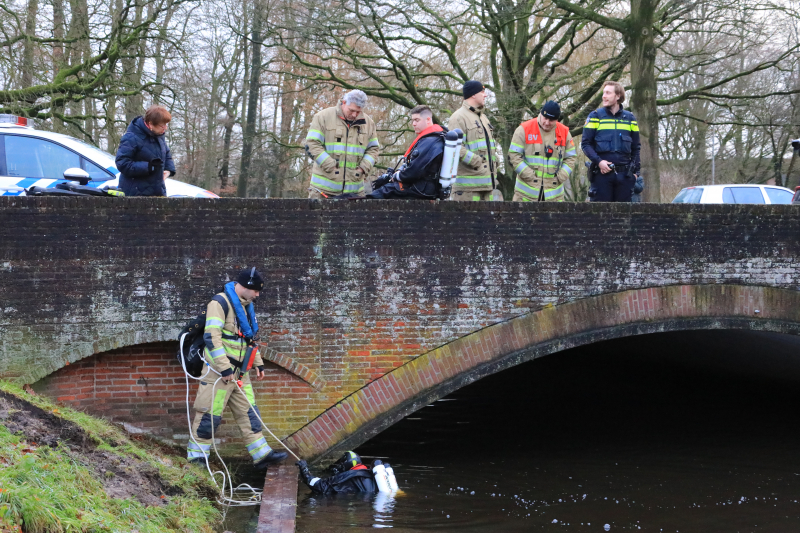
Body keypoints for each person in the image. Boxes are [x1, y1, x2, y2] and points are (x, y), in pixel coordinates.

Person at [186, 267, 288, 470]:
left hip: (240, 372)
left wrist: (257, 363)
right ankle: (197, 459)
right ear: (246, 286)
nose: (258, 295)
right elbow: (212, 337)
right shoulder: (219, 303)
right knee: (209, 415)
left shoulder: (247, 306)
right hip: (219, 373)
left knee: (250, 413)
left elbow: (249, 338)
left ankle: (261, 455)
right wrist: (224, 369)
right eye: (256, 290)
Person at [305, 90, 381, 199]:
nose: (354, 114)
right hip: (323, 190)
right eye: (351, 110)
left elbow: (373, 149)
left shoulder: (369, 123)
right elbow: (312, 144)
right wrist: (330, 165)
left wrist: (363, 168)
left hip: (355, 192)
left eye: (358, 111)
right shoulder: (323, 117)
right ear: (344, 103)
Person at [367, 105, 445, 199]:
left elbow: (414, 171)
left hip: (419, 189)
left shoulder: (430, 141)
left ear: (428, 120)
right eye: (412, 120)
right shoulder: (434, 138)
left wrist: (396, 176)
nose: (414, 124)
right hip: (422, 187)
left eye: (417, 120)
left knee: (377, 194)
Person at [581, 81, 641, 202]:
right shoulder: (595, 116)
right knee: (601, 216)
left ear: (618, 96)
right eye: (603, 93)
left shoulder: (630, 118)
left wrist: (635, 174)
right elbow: (585, 144)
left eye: (608, 93)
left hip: (625, 176)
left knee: (623, 217)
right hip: (601, 176)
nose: (604, 96)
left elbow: (636, 147)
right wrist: (599, 162)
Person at [508, 101, 577, 202]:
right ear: (541, 113)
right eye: (545, 118)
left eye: (551, 120)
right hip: (525, 195)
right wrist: (529, 175)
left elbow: (571, 158)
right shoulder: (524, 129)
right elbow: (513, 156)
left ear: (557, 119)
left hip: (554, 196)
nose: (547, 122)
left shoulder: (564, 133)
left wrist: (561, 176)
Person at [447, 81, 499, 201]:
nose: (485, 95)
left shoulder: (483, 118)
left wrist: (495, 160)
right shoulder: (458, 117)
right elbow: (456, 147)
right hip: (467, 191)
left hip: (488, 186)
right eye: (482, 92)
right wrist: (478, 162)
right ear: (473, 94)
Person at [115, 105, 176, 197]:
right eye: (162, 125)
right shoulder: (131, 137)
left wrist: (168, 169)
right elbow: (122, 163)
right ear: (151, 124)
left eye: (166, 124)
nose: (165, 128)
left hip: (157, 191)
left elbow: (166, 153)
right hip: (134, 193)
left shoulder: (159, 136)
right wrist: (148, 167)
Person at [297, 451, 377, 494]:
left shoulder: (349, 475)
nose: (340, 466)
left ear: (346, 463)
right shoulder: (368, 472)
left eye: (342, 463)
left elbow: (322, 487)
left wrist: (305, 472)